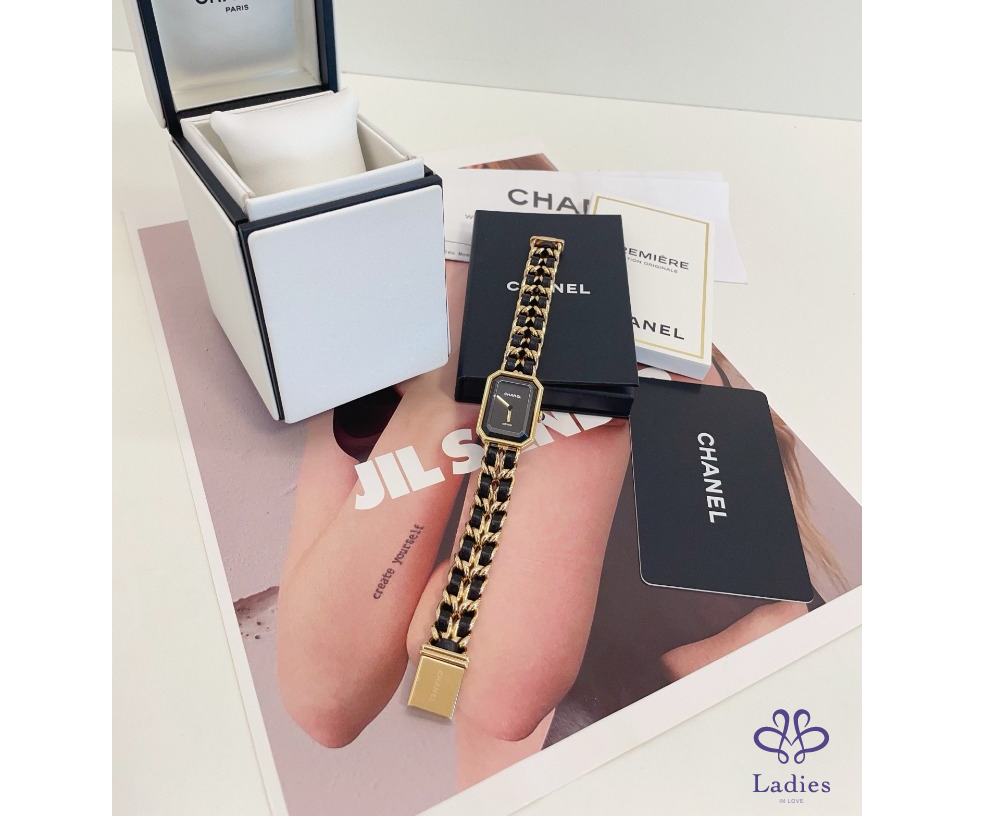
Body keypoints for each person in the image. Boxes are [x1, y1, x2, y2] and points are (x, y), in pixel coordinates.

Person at [276, 260, 855, 789]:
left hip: (729, 746)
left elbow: (495, 688)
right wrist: (444, 392)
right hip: (581, 764)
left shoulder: (648, 312)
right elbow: (326, 704)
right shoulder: (363, 355)